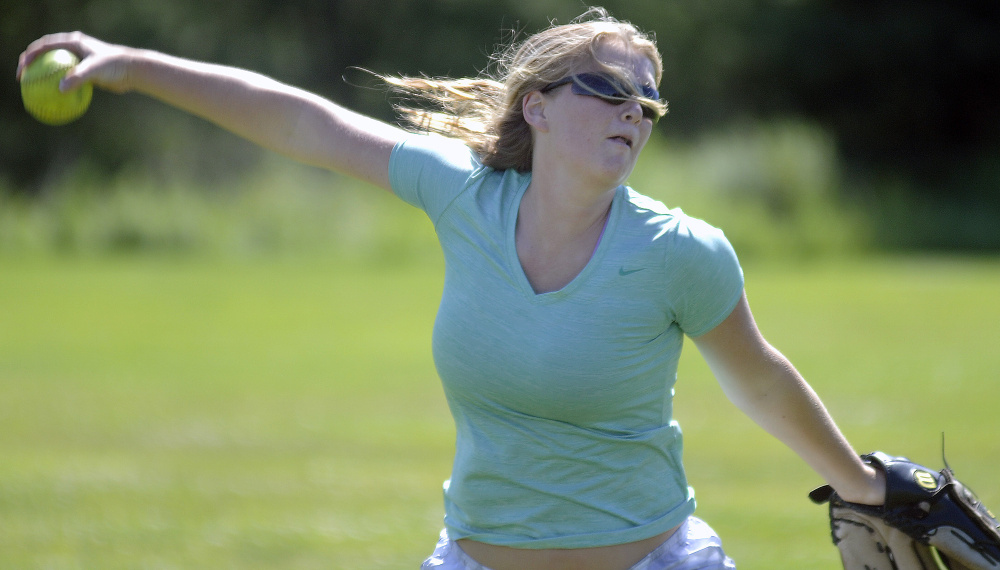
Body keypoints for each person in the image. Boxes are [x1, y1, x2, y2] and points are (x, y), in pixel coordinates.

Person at [18, 7, 886, 570]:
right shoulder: (462, 192)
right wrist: (130, 63)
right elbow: (304, 122)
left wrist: (860, 486)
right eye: (610, 89)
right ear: (538, 108)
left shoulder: (683, 252)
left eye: (649, 102)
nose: (635, 110)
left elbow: (761, 379)